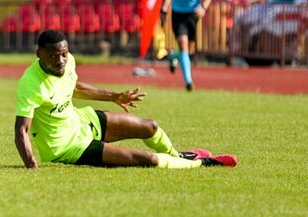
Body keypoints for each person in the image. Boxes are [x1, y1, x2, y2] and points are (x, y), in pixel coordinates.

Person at [14, 30, 237, 169]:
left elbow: (73, 88)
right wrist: (31, 165)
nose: (61, 60)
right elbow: (21, 130)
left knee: (151, 127)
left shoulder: (68, 60)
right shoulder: (31, 84)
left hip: (81, 121)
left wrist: (114, 97)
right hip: (66, 147)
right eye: (53, 56)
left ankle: (178, 156)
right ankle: (203, 163)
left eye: (63, 54)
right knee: (148, 160)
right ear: (38, 55)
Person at [160, 0, 212, 91]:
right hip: (178, 15)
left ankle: (173, 56)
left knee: (187, 50)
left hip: (193, 15)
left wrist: (203, 8)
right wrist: (164, 9)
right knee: (183, 44)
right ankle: (188, 82)